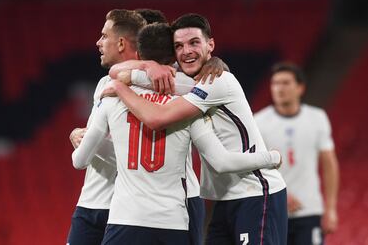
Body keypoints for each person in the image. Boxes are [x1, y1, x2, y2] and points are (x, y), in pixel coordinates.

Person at [73, 22, 282, 245]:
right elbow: (219, 160)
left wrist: (121, 87)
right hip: (174, 219)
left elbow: (80, 160)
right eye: (180, 46)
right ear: (174, 56)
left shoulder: (111, 95)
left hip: (126, 217)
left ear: (139, 54)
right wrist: (273, 157)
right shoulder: (188, 101)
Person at [66, 9, 146, 245]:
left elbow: (133, 157)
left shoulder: (150, 86)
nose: (98, 42)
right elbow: (99, 134)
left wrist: (92, 141)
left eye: (104, 36)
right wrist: (78, 133)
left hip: (123, 210)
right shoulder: (103, 84)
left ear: (121, 43)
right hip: (89, 202)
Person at [254, 62, 339, 245]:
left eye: (285, 83)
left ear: (300, 88)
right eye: (275, 83)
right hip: (273, 211)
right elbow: (253, 169)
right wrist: (279, 195)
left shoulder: (317, 118)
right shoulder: (258, 122)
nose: (279, 88)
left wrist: (330, 208)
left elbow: (329, 163)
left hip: (309, 210)